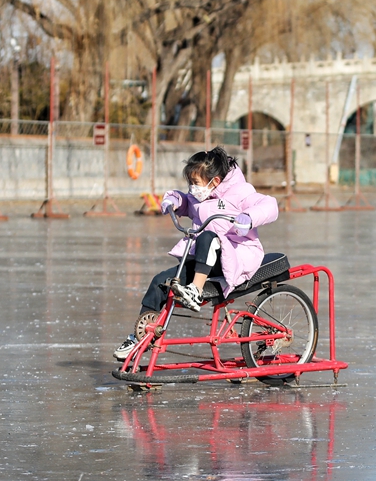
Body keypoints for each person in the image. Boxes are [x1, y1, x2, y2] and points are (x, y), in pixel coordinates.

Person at [114, 146, 278, 360]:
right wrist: (174, 201)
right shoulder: (200, 196)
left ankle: (196, 290)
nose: (192, 188)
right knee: (160, 282)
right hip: (204, 258)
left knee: (207, 236)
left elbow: (269, 205)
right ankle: (141, 335)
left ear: (215, 182)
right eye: (190, 183)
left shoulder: (240, 192)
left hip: (236, 255)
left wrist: (249, 217)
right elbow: (186, 202)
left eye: (196, 183)